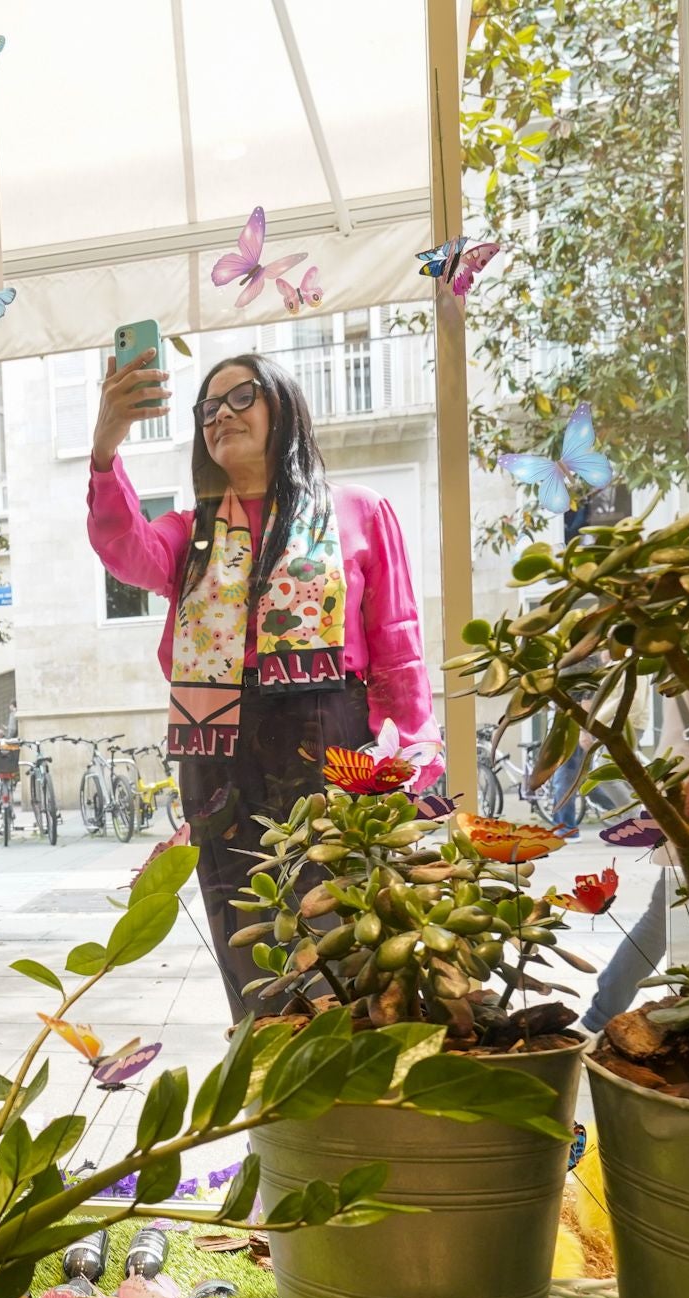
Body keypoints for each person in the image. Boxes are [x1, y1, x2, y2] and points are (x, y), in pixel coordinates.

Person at [87, 349, 438, 1022]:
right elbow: (122, 546)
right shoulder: (189, 535)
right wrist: (106, 448)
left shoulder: (356, 512)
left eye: (240, 396)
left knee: (340, 912)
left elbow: (397, 640)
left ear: (283, 404)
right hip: (216, 743)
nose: (221, 414)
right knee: (243, 917)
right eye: (208, 407)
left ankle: (356, 1081)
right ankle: (276, 1084)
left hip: (329, 727)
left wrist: (414, 752)